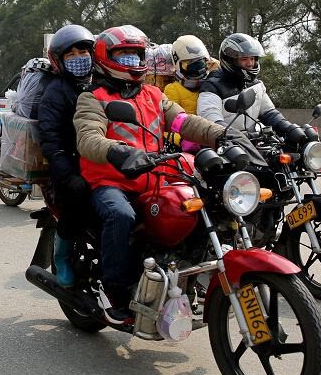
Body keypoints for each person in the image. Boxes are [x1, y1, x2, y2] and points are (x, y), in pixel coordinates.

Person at [73, 25, 226, 324]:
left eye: (136, 55)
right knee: (121, 216)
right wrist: (119, 151)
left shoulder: (154, 95)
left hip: (154, 176)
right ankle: (115, 290)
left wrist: (223, 136)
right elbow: (88, 138)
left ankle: (187, 273)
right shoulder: (93, 98)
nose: (132, 62)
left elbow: (184, 122)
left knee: (201, 201)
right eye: (124, 56)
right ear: (106, 58)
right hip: (111, 179)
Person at [38, 25, 96, 287]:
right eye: (70, 54)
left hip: (103, 161)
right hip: (69, 164)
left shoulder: (102, 82)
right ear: (59, 61)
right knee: (75, 200)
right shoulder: (55, 91)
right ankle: (61, 257)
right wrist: (68, 174)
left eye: (82, 51)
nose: (78, 57)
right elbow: (50, 140)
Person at [196, 33, 306, 144]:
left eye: (252, 58)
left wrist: (288, 128)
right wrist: (233, 136)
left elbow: (268, 113)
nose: (250, 64)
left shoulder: (256, 85)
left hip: (252, 144)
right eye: (244, 59)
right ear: (230, 60)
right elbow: (212, 121)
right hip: (224, 147)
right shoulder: (212, 86)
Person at [164, 35, 212, 114]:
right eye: (189, 62)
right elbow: (174, 118)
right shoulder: (173, 90)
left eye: (200, 60)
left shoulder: (211, 83)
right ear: (178, 64)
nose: (198, 65)